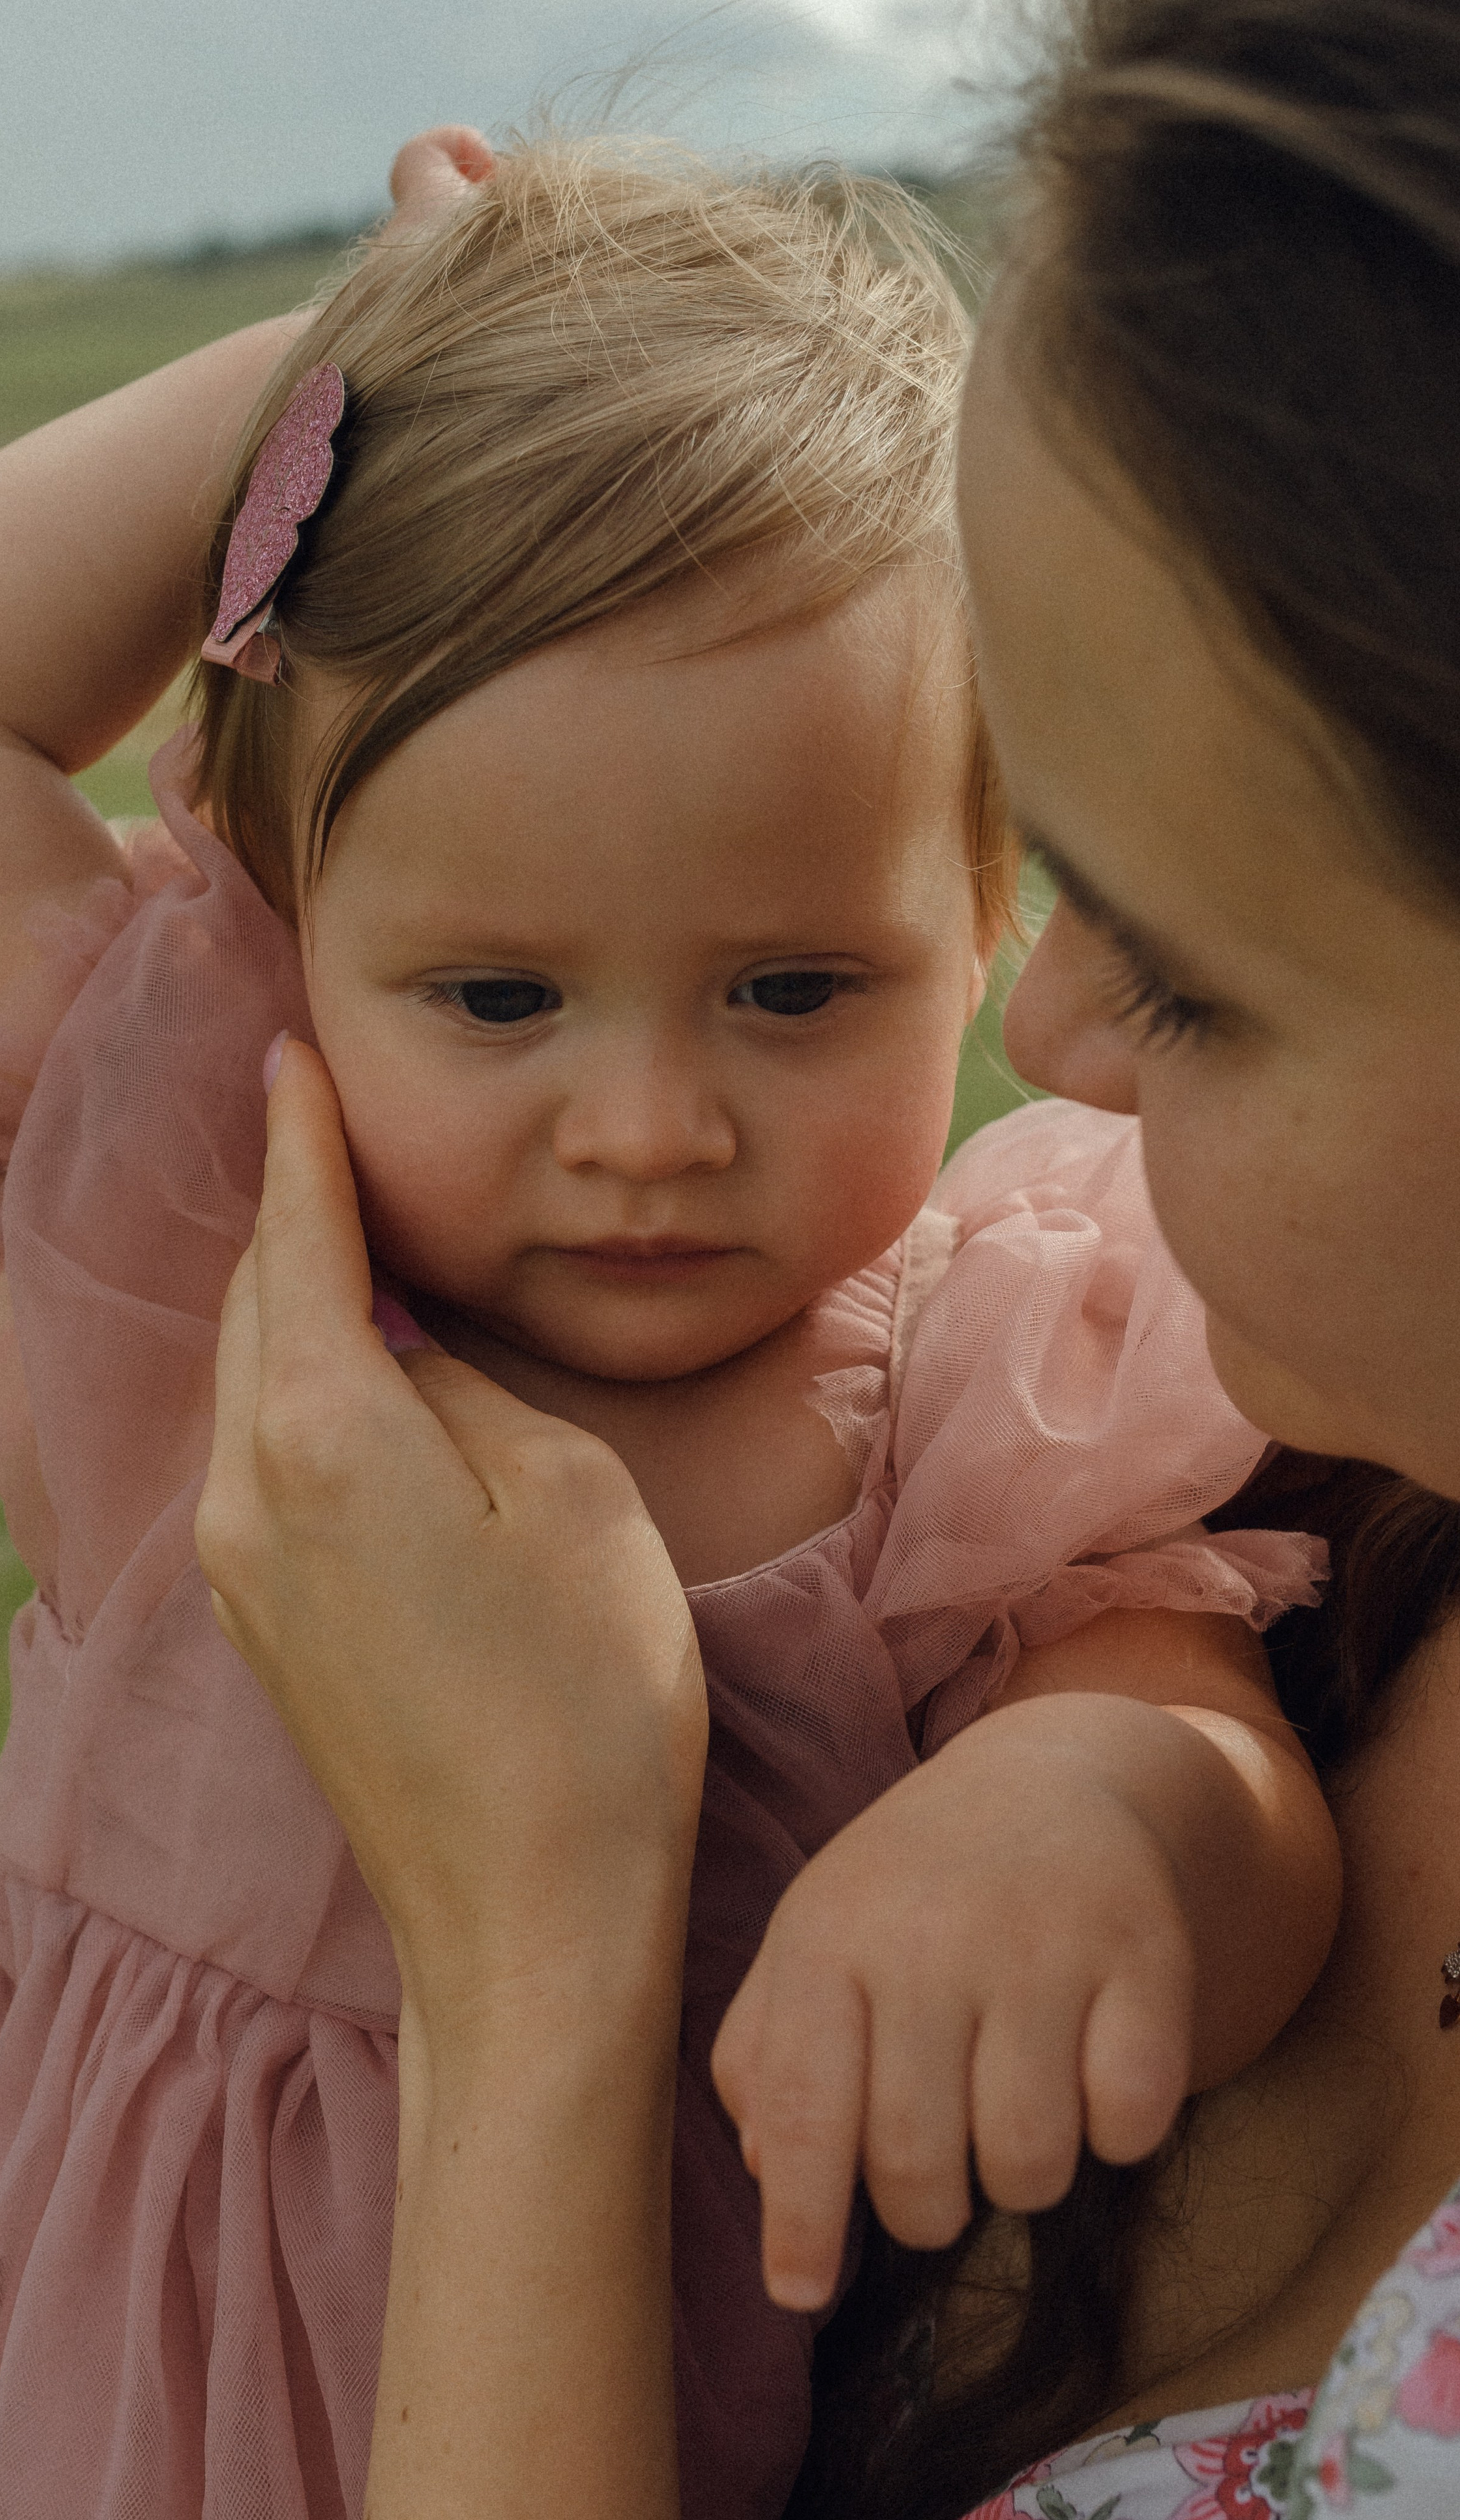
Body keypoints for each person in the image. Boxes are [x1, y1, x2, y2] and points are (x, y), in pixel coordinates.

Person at [0, 119, 1337, 2520]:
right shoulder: (212, 1237)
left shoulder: (967, 1360)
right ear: (293, 915)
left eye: (795, 985)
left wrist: (1105, 1811)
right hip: (56, 2379)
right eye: (499, 991)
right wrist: (374, 366)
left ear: (989, 903)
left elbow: (1187, 1707)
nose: (645, 1124)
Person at [189, 10, 1460, 2520]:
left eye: (1193, 957)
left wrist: (543, 1954)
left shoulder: (1041, 1386)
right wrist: (437, 355)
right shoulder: (1345, 1405)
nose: (1053, 1033)